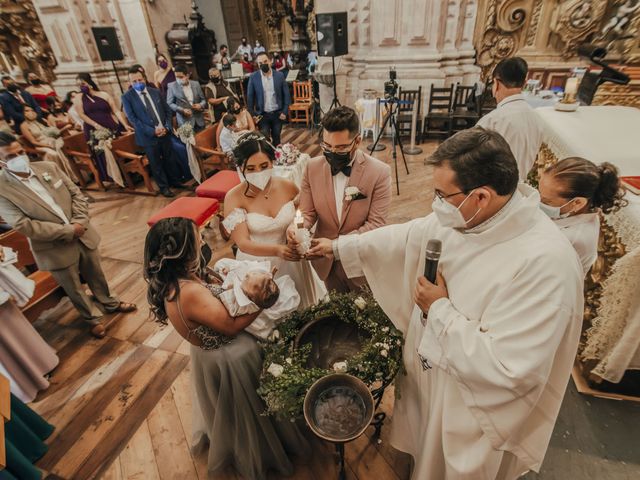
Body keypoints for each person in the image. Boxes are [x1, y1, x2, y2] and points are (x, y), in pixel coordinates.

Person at [308, 126, 584, 479]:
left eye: (441, 194)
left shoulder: (547, 265)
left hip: (467, 406)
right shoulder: (470, 216)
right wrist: (338, 247)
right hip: (431, 377)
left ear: (481, 196)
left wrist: (437, 309)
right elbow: (410, 234)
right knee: (424, 452)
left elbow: (510, 368)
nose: (434, 203)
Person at [143, 217, 309, 479]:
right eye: (197, 237)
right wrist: (264, 299)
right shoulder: (187, 292)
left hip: (212, 354)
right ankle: (263, 453)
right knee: (251, 412)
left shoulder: (180, 278)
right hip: (230, 357)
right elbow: (231, 327)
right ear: (183, 249)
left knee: (239, 410)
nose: (202, 240)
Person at [0, 131, 137, 338]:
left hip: (82, 232)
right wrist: (67, 231)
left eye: (20, 152)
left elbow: (77, 194)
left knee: (96, 273)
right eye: (10, 157)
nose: (18, 158)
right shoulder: (3, 189)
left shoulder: (48, 168)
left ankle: (110, 302)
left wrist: (79, 222)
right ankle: (92, 318)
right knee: (73, 287)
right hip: (52, 245)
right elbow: (23, 224)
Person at [292, 106, 391, 293]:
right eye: (327, 146)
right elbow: (306, 213)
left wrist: (336, 246)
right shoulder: (311, 168)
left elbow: (377, 224)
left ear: (357, 141)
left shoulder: (379, 172)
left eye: (341, 147)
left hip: (361, 262)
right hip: (325, 264)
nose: (332, 152)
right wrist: (297, 228)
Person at [223, 132, 326, 308]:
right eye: (251, 168)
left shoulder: (287, 186)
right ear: (240, 168)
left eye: (264, 166)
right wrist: (277, 250)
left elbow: (302, 213)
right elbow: (242, 243)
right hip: (258, 268)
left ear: (273, 162)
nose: (259, 172)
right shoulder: (233, 197)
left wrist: (297, 231)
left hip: (293, 259)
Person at [538, 157, 626, 277]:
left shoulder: (572, 239)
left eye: (547, 202)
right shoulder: (580, 211)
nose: (538, 202)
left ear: (577, 203)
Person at [122, 66, 184, 198]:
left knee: (170, 158)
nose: (137, 83)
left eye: (139, 80)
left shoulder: (155, 91)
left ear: (144, 79)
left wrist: (167, 126)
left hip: (164, 132)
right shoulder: (127, 97)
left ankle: (175, 182)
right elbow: (133, 119)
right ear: (130, 83)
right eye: (134, 81)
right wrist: (152, 131)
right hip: (148, 137)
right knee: (156, 163)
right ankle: (164, 187)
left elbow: (167, 111)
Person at [477, 57, 543, 182]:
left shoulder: (492, 121)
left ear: (496, 83)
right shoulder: (536, 118)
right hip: (520, 190)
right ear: (524, 83)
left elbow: (474, 162)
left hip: (494, 190)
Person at [214, 258, 300, 340]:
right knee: (222, 264)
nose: (248, 274)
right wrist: (232, 267)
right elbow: (246, 265)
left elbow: (231, 293)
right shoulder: (255, 277)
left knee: (220, 265)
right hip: (241, 270)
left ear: (248, 295)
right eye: (253, 274)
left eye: (247, 279)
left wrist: (230, 287)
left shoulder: (244, 301)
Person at [74, 72, 132, 182]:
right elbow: (81, 114)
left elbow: (116, 111)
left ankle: (125, 174)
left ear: (89, 82)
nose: (81, 87)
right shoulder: (78, 97)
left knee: (116, 149)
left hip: (109, 125)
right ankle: (111, 177)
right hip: (93, 129)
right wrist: (96, 125)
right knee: (103, 152)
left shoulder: (103, 94)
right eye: (79, 85)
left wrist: (125, 125)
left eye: (83, 84)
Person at [19, 105, 76, 181]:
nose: (30, 112)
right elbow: (33, 142)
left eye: (32, 110)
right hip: (40, 145)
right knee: (53, 154)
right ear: (23, 113)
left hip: (51, 141)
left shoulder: (39, 122)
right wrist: (47, 145)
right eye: (27, 111)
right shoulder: (23, 126)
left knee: (63, 147)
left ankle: (72, 176)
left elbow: (50, 132)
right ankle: (61, 178)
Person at [246, 52, 290, 146]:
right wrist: (253, 115)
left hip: (277, 114)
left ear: (270, 61)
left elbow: (286, 95)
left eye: (265, 61)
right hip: (262, 115)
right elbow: (250, 98)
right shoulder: (254, 77)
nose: (263, 64)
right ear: (258, 65)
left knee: (276, 137)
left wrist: (285, 111)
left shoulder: (279, 75)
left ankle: (277, 159)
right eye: (260, 63)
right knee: (264, 138)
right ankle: (268, 159)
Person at [167, 64, 207, 131]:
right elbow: (169, 103)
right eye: (176, 77)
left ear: (187, 75)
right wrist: (182, 110)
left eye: (181, 77)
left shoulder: (196, 84)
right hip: (184, 122)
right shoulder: (172, 86)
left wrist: (200, 105)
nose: (178, 79)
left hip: (199, 120)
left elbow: (203, 100)